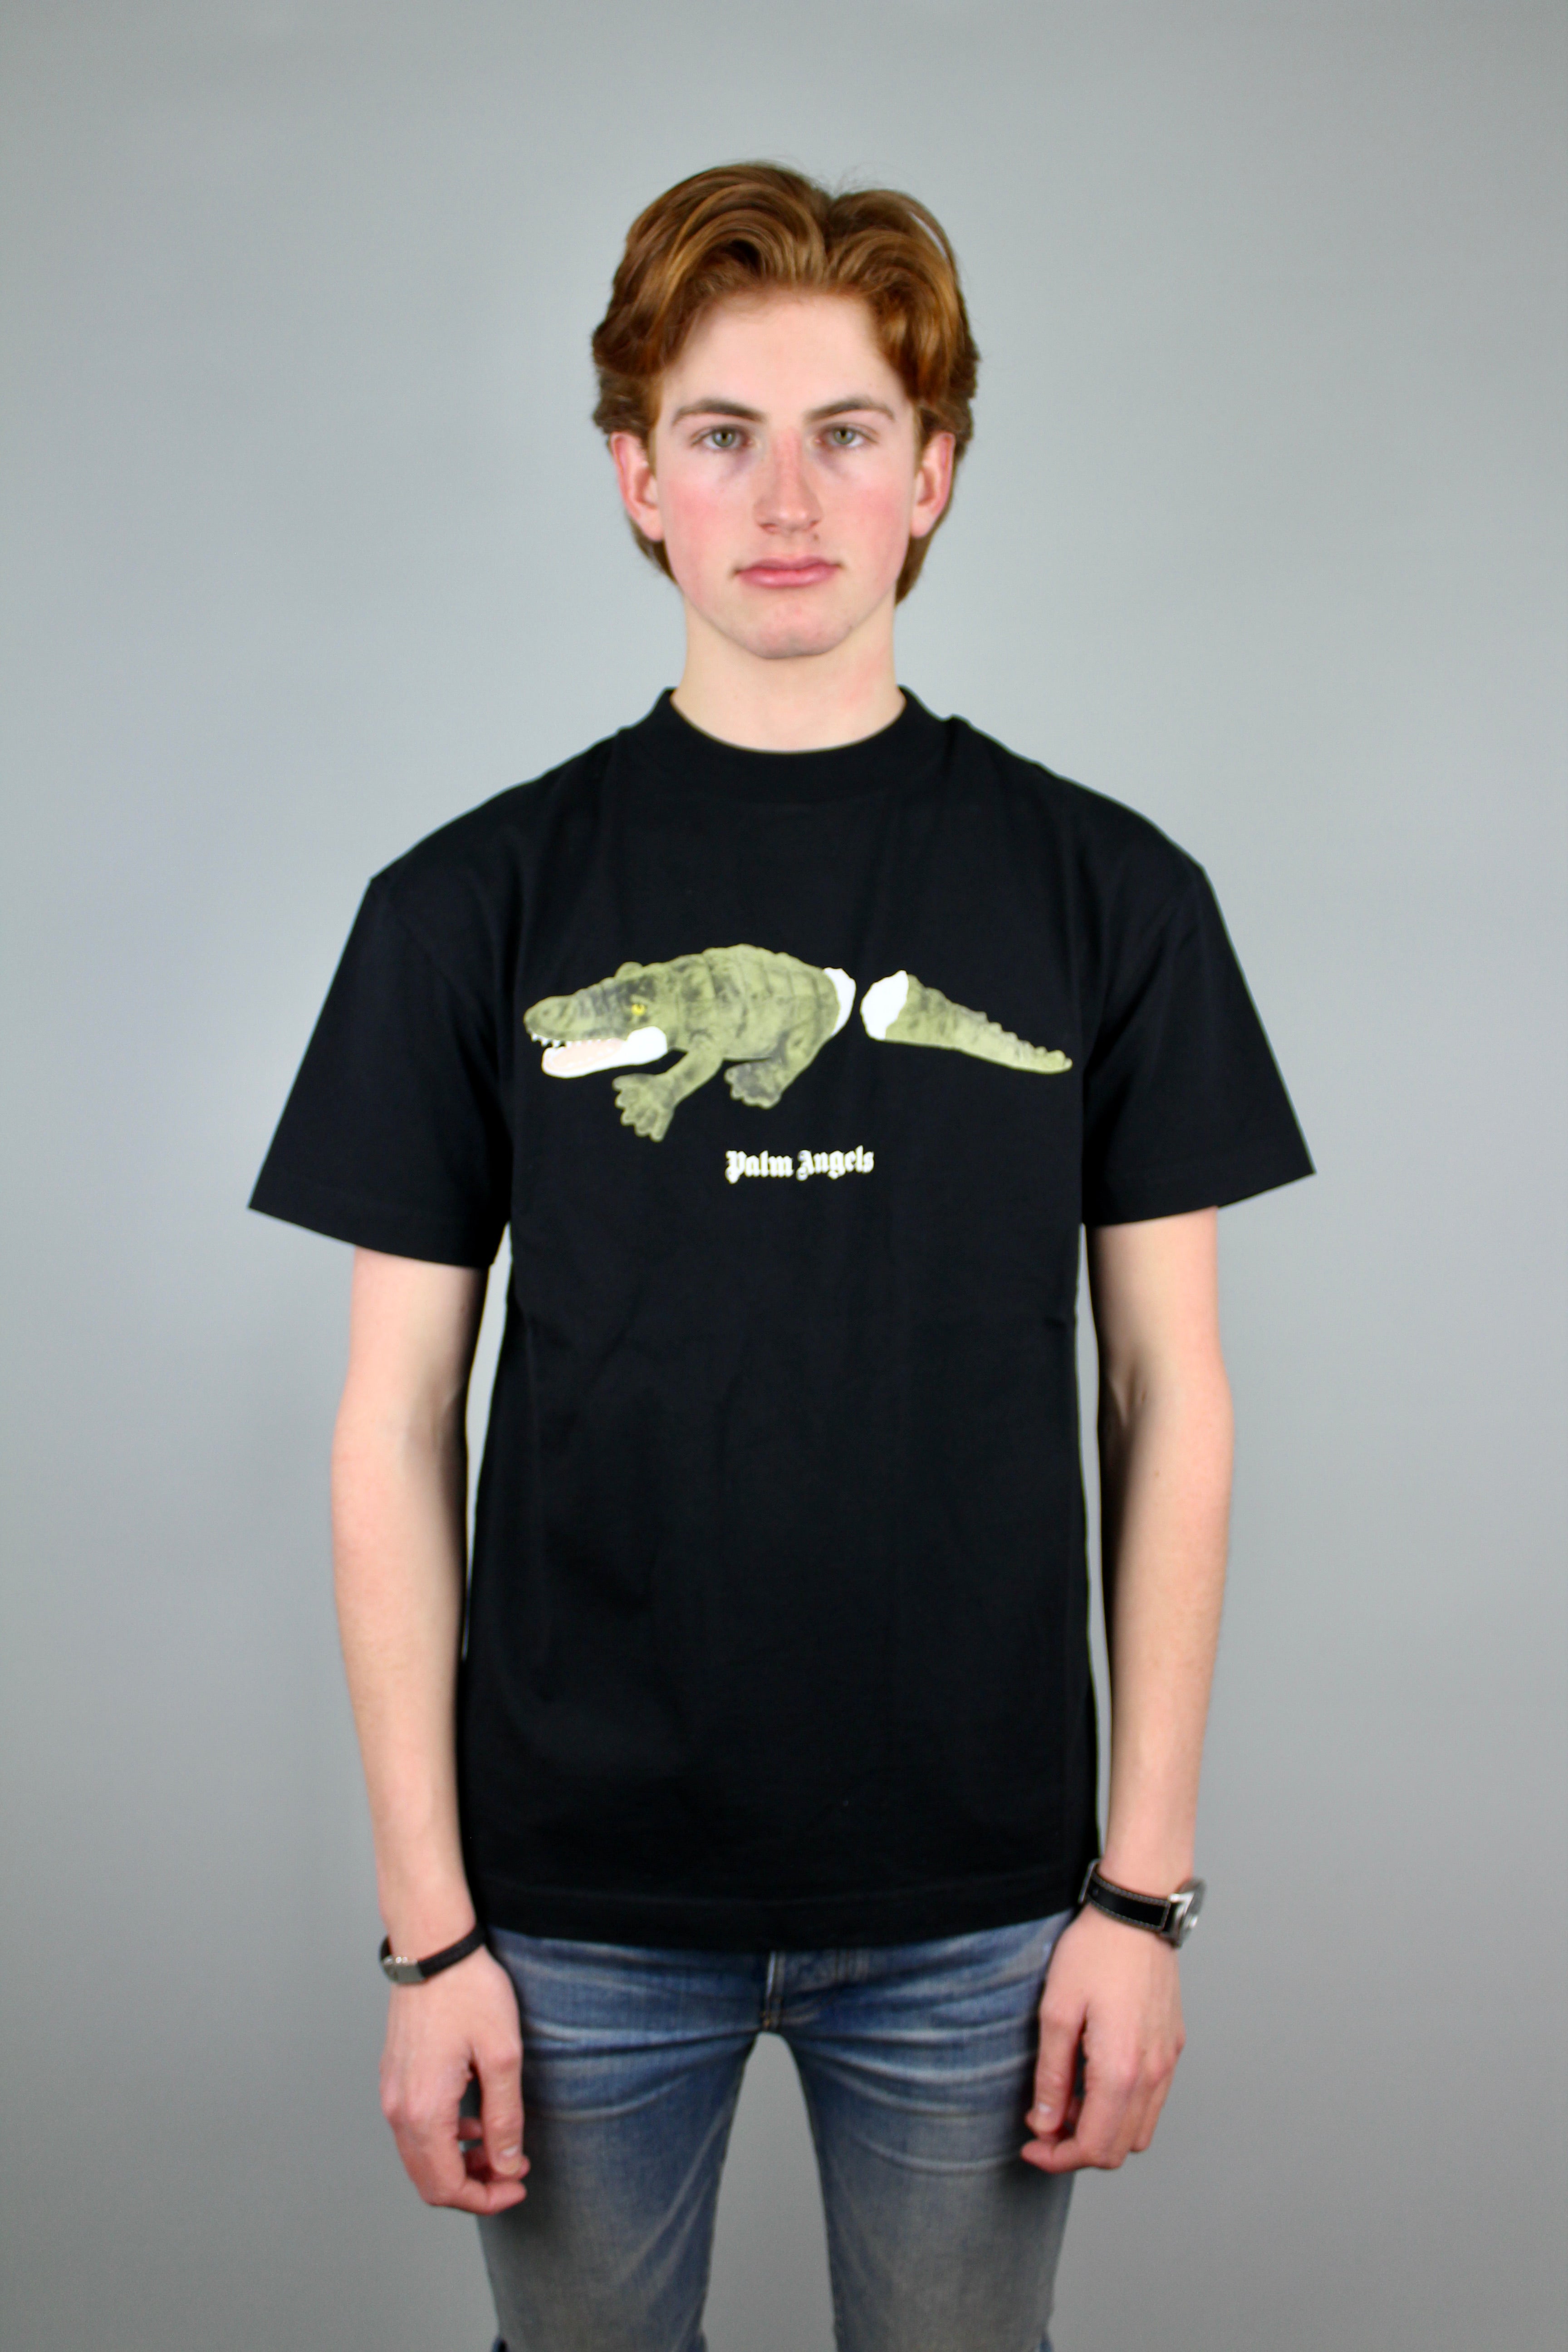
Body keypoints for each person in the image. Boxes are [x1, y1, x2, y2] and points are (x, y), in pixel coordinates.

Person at [250, 162, 1312, 2352]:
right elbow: (390, 1423)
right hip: (565, 1901)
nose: (791, 497)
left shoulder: (1111, 894)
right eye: (725, 434)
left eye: (850, 431)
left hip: (982, 1899)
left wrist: (1141, 1893)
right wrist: (429, 1932)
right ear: (639, 479)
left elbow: (1173, 1398)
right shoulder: (466, 907)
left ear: (936, 473)